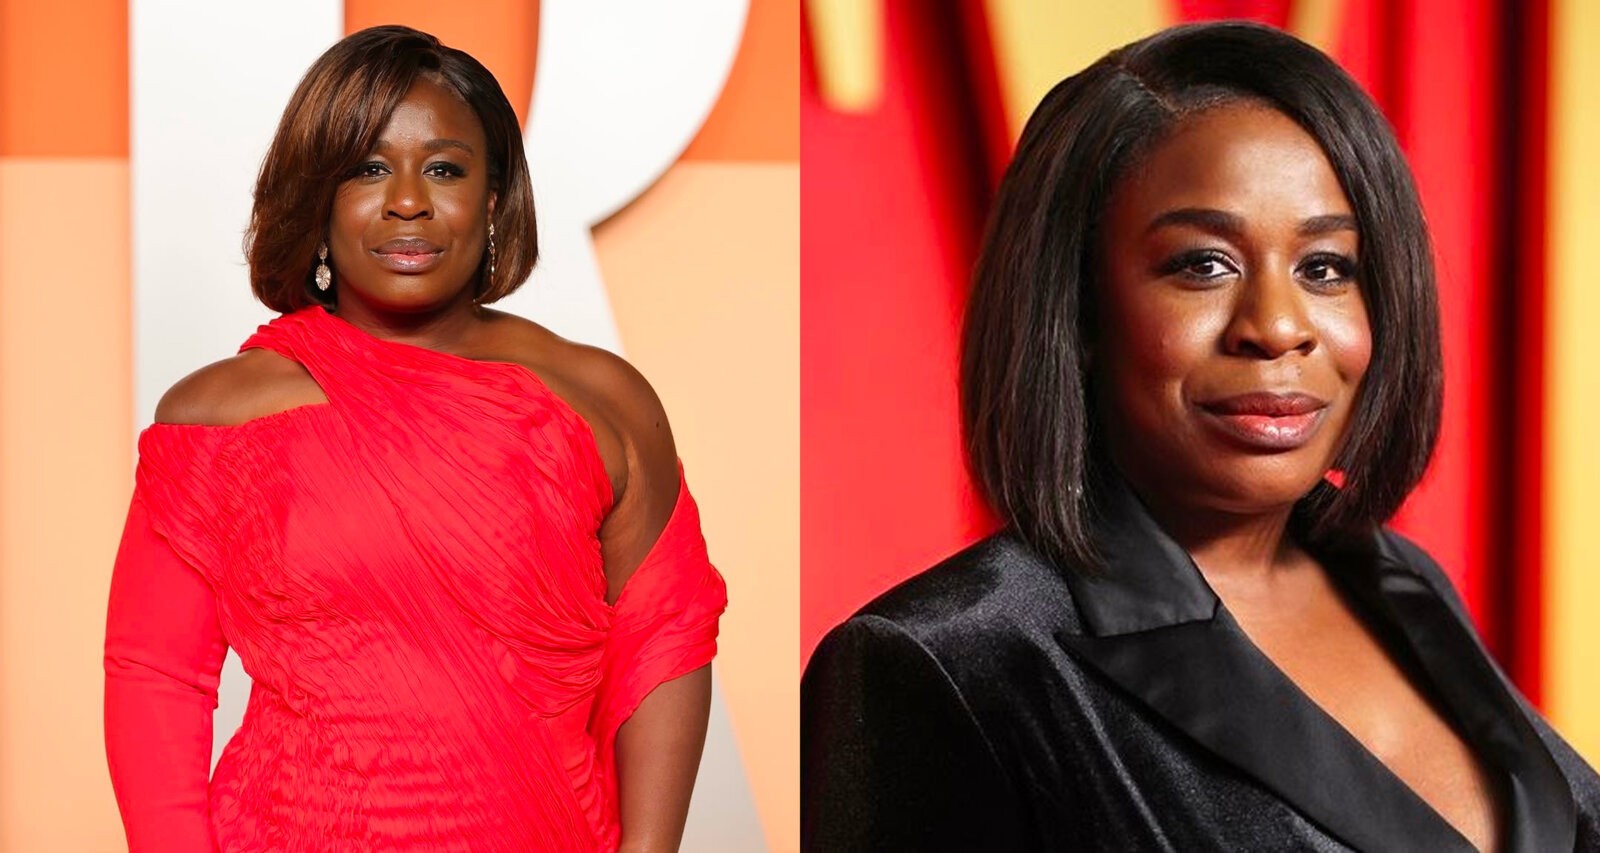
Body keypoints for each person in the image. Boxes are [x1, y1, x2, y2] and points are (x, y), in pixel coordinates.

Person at [802, 21, 1599, 852]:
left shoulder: (1393, 577)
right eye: (1204, 264)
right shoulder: (942, 664)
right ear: (1075, 311)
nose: (1279, 326)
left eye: (1326, 267)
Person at [103, 25, 726, 852]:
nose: (408, 200)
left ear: (495, 197)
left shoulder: (601, 400)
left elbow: (665, 640)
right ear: (316, 199)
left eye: (443, 168)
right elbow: (157, 674)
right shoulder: (215, 418)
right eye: (367, 168)